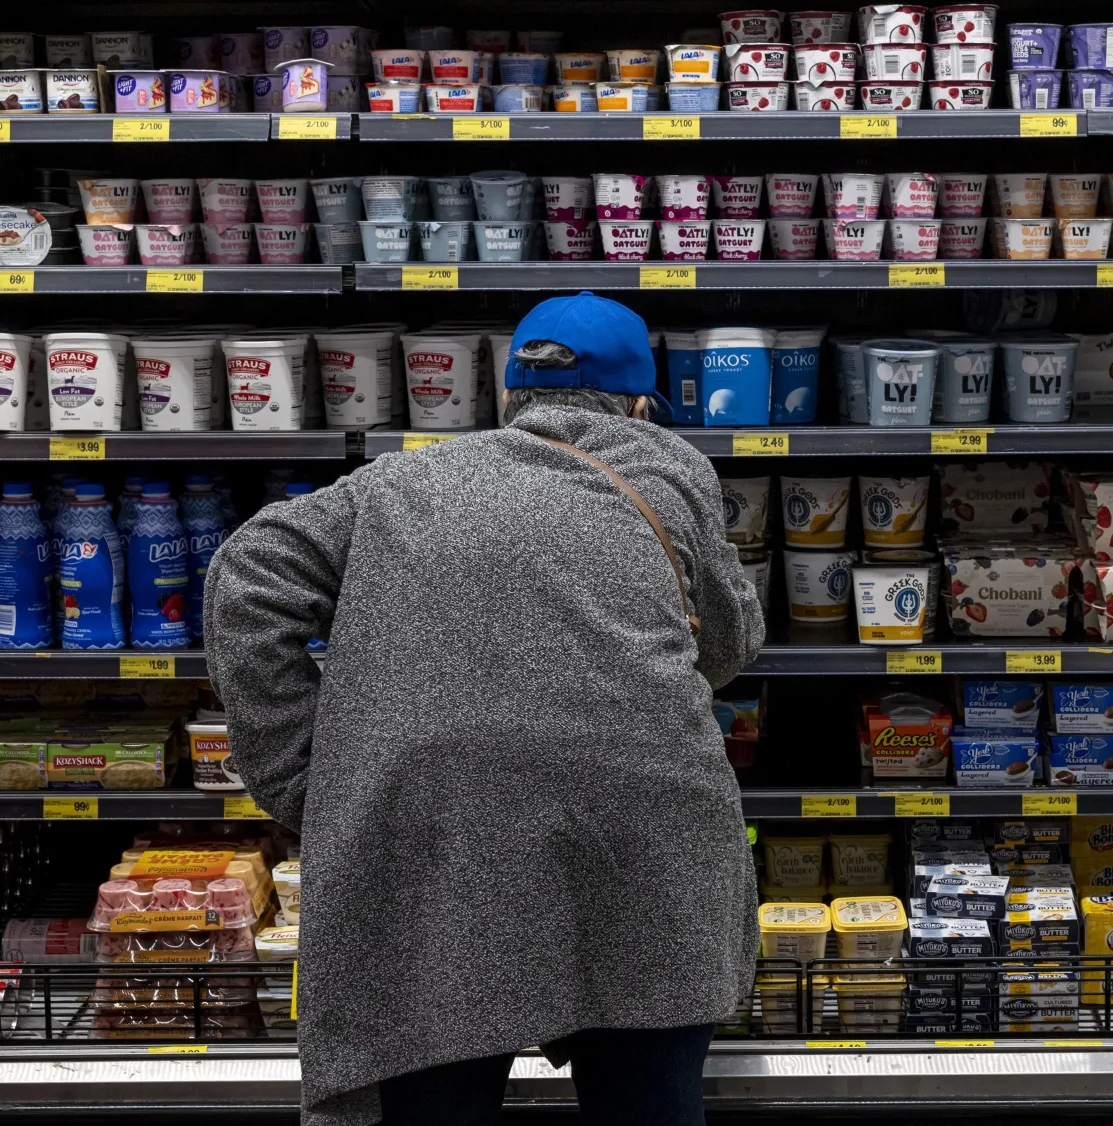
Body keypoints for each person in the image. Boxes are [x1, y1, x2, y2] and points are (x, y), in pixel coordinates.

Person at [204, 291, 767, 1126]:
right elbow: (728, 647)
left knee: (435, 1100)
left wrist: (305, 774)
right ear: (641, 404)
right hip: (646, 842)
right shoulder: (665, 469)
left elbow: (249, 576)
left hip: (441, 845)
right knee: (650, 1105)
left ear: (509, 398)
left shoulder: (396, 482)